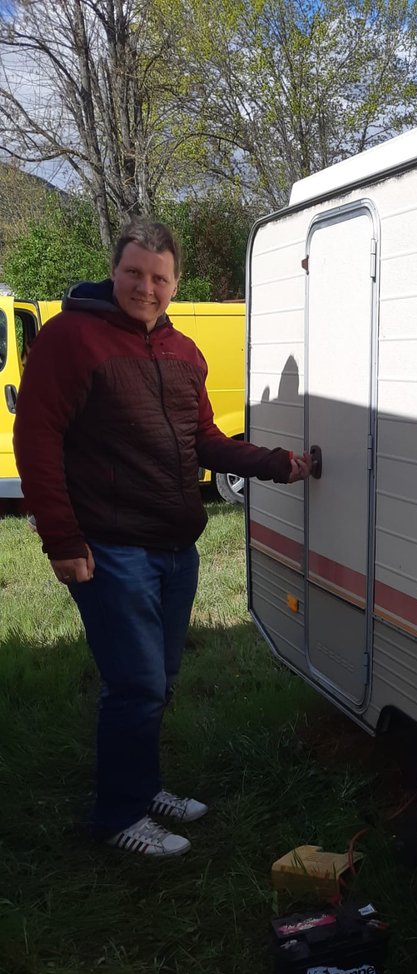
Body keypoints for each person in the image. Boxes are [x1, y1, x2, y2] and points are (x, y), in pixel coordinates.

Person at [13, 219, 312, 858]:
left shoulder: (183, 351)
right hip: (110, 546)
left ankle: (143, 788)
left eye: (159, 277)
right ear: (113, 271)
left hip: (178, 546)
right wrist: (62, 541)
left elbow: (201, 438)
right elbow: (36, 440)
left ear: (175, 284)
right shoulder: (71, 338)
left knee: (161, 679)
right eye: (134, 274)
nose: (145, 288)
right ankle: (118, 815)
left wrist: (275, 464)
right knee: (137, 683)